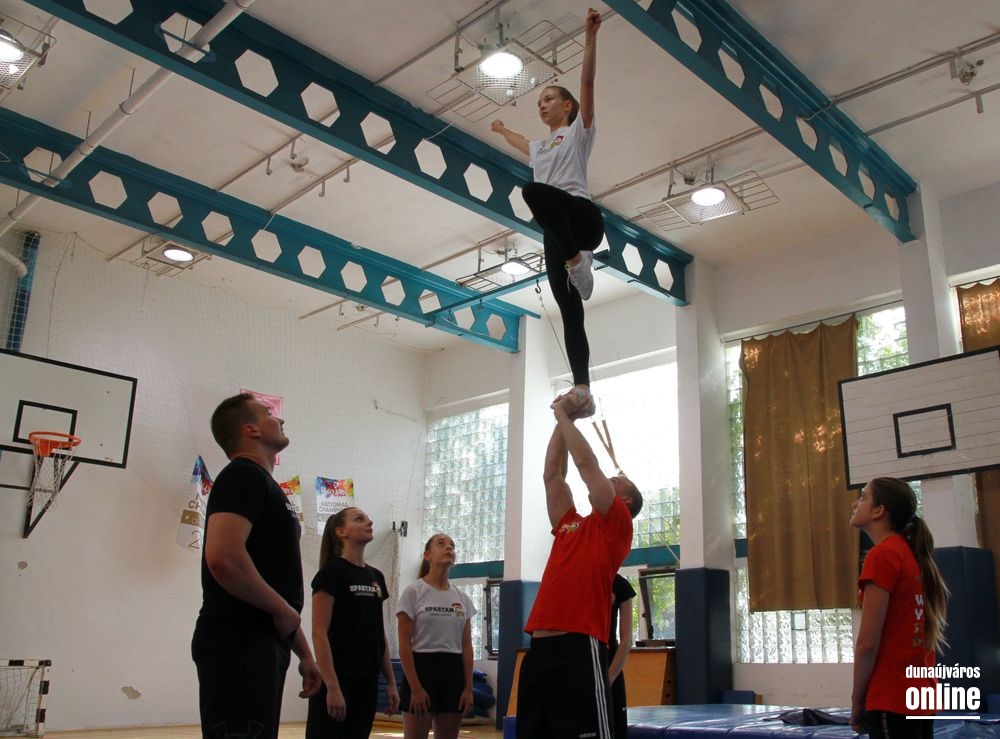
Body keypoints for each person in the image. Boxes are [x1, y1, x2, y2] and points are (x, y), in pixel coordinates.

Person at [492, 8, 605, 418]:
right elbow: (522, 141)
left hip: (582, 218)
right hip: (557, 237)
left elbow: (587, 83)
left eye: (549, 98)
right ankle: (583, 388)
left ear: (568, 105)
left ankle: (578, 261)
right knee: (570, 312)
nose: (542, 105)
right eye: (539, 102)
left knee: (534, 191)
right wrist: (502, 130)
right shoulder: (540, 148)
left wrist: (590, 38)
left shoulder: (578, 133)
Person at [192, 393, 321, 739]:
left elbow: (276, 588)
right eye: (269, 414)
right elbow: (223, 558)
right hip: (238, 643)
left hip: (260, 643)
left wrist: (304, 654)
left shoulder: (263, 485)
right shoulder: (242, 477)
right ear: (250, 429)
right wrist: (282, 611)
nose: (280, 419)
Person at [515, 391, 644, 739]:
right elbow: (552, 476)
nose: (607, 480)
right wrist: (565, 418)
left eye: (614, 481)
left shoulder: (618, 525)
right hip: (539, 650)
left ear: (624, 499)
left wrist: (563, 414)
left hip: (579, 648)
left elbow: (587, 466)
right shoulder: (570, 524)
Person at [849, 477, 950, 739]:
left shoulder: (883, 555)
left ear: (879, 510)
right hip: (919, 695)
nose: (854, 504)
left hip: (892, 695)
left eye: (863, 497)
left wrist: (857, 700)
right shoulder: (910, 554)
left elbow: (867, 644)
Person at [307, 507, 400, 738]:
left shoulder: (376, 577)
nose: (369, 522)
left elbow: (378, 633)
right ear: (341, 531)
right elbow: (319, 632)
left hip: (367, 680)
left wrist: (391, 682)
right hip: (337, 678)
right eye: (359, 519)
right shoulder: (331, 574)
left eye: (368, 518)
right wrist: (332, 686)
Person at [396, 533, 477, 739]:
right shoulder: (413, 592)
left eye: (452, 545)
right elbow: (404, 644)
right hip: (422, 670)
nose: (449, 548)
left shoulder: (462, 598)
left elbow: (467, 647)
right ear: (427, 555)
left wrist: (468, 688)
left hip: (452, 672)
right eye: (441, 544)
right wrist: (415, 687)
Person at [609, 573, 637, 738]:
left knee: (617, 725)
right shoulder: (583, 580)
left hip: (611, 661)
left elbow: (626, 640)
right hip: (586, 659)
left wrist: (610, 677)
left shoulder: (620, 585)